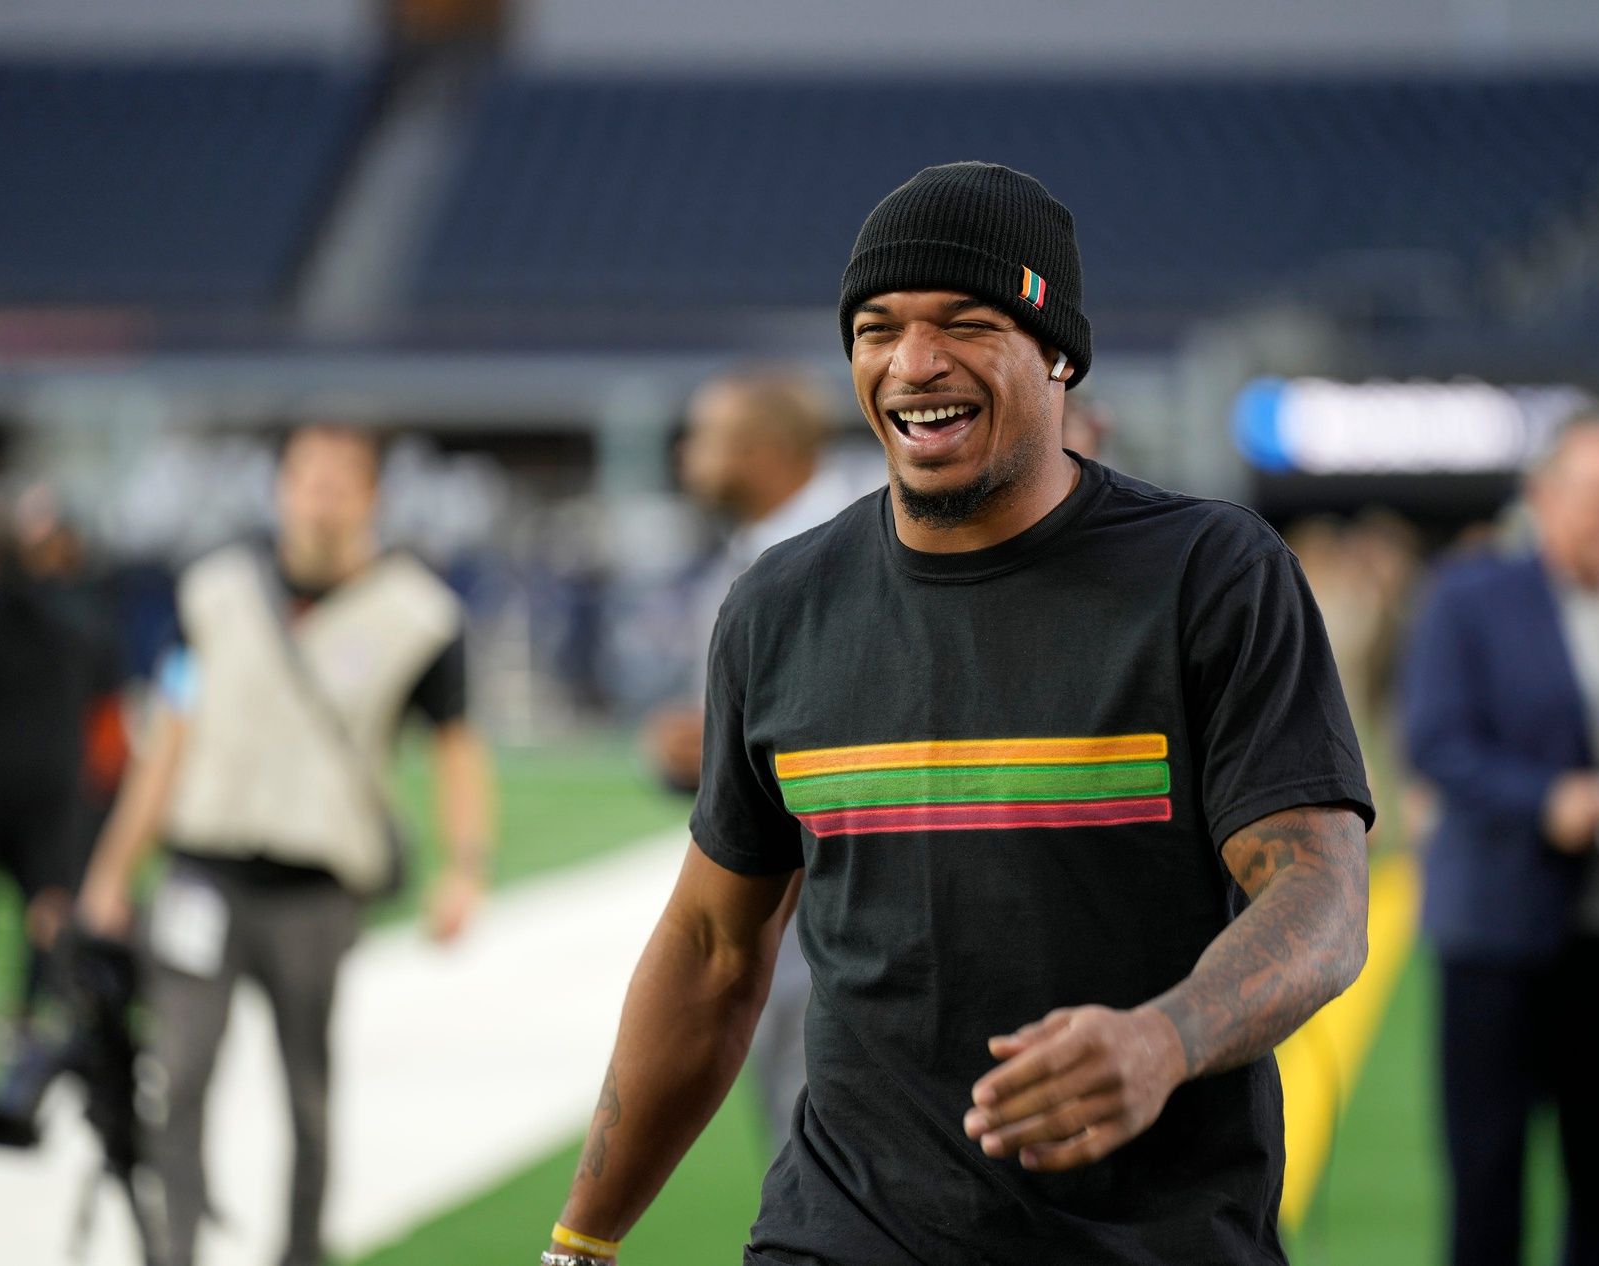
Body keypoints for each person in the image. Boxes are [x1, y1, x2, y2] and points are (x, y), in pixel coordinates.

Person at [540, 162, 1372, 1266]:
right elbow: (710, 946)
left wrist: (1163, 1039)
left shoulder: (1211, 577)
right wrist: (579, 1244)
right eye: (876, 328)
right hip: (841, 1233)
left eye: (966, 322)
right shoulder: (780, 606)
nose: (912, 364)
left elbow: (1319, 892)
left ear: (1058, 353)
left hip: (1147, 1240)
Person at [77, 423, 496, 1266]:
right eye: (306, 476)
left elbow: (456, 748)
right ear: (279, 488)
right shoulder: (214, 593)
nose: (321, 494)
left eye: (342, 479)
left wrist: (463, 869)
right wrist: (112, 872)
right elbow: (169, 740)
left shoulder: (418, 614)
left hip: (315, 885)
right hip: (204, 870)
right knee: (181, 1074)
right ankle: (173, 1252)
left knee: (307, 1091)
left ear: (373, 495)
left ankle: (302, 1253)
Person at [1402, 411, 1599, 1266]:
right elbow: (1435, 742)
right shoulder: (1470, 596)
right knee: (1488, 1185)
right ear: (1545, 499)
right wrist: (1547, 800)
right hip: (1499, 936)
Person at [642, 368, 867, 1157]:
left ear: (766, 451)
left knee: (835, 1159)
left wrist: (715, 747)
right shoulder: (759, 549)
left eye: (708, 438)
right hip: (782, 894)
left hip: (844, 900)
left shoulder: (848, 545)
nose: (687, 456)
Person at [0, 511, 122, 1044]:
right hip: (52, 790)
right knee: (50, 909)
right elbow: (106, 720)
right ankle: (46, 1015)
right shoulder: (74, 624)